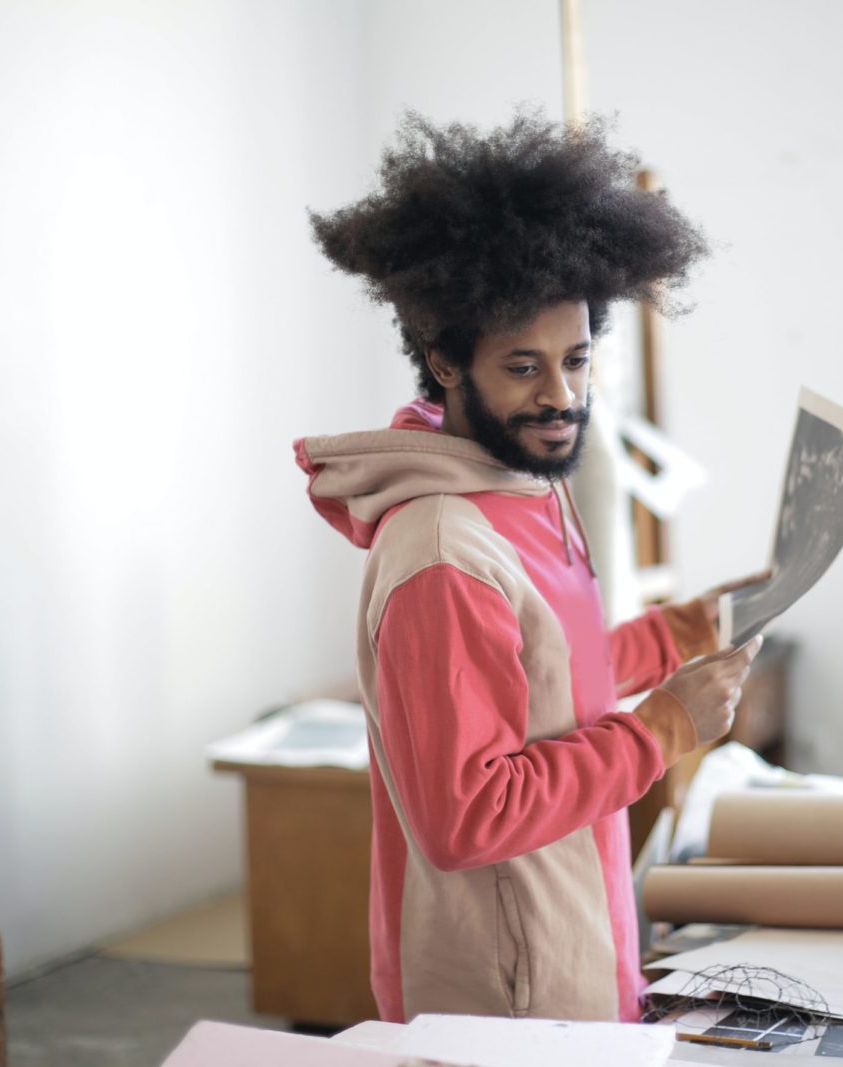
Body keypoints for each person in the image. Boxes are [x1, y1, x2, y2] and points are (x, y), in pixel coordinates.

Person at [293, 113, 763, 1024]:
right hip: (507, 990)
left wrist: (679, 633)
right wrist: (662, 729)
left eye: (576, 359)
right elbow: (467, 815)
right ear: (446, 363)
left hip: (571, 929)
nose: (560, 396)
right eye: (522, 366)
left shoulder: (520, 482)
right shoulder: (441, 553)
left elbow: (546, 675)